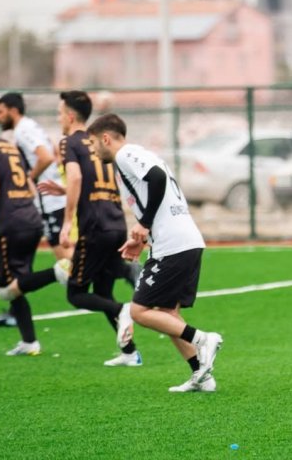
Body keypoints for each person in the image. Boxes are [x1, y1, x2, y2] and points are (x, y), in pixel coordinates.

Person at [88, 114, 225, 392]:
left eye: (93, 143)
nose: (93, 150)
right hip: (182, 241)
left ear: (105, 138)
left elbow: (158, 178)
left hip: (174, 244)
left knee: (140, 311)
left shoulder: (126, 154)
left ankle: (202, 339)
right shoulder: (129, 160)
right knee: (166, 313)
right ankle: (202, 375)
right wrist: (141, 237)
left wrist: (144, 223)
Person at [37, 91, 142, 367]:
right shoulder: (99, 141)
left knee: (76, 292)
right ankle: (130, 353)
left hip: (94, 227)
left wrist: (68, 221)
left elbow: (76, 176)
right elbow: (88, 180)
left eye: (60, 114)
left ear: (70, 116)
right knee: (103, 292)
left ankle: (124, 310)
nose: (59, 119)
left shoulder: (70, 142)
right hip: (115, 222)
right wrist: (65, 189)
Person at [0, 92, 141, 286]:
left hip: (53, 202)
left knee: (71, 269)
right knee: (92, 277)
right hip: (97, 210)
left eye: (59, 113)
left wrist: (27, 180)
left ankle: (116, 276)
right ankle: (117, 292)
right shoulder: (89, 139)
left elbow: (49, 158)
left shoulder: (28, 130)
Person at [0, 104, 67, 356]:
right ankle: (29, 342)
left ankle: (57, 272)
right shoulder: (8, 145)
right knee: (17, 283)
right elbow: (29, 185)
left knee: (4, 288)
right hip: (29, 216)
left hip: (11, 223)